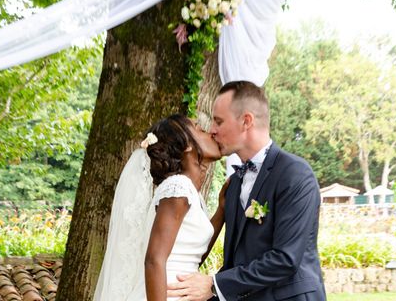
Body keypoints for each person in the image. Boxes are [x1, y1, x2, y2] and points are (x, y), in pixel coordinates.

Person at [167, 81, 326, 301]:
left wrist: (214, 285)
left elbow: (285, 259)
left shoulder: (295, 174)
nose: (212, 130)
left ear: (246, 121)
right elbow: (235, 261)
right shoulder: (233, 184)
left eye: (219, 121)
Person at [93, 114, 229, 301]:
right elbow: (154, 260)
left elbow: (191, 255)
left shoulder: (186, 191)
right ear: (187, 145)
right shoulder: (178, 188)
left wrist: (221, 211)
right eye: (199, 129)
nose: (208, 133)